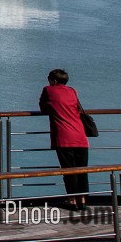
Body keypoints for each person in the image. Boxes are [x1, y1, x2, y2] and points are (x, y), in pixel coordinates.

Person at [39, 67, 90, 207]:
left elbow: (43, 108)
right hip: (80, 135)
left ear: (53, 80)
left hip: (63, 136)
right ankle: (83, 200)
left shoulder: (48, 90)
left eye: (49, 79)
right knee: (82, 169)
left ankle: (72, 200)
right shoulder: (73, 91)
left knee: (68, 170)